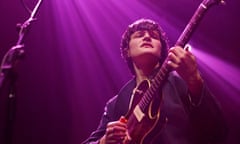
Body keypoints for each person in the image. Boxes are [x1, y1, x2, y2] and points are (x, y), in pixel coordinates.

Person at [82, 19, 227, 144]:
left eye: (154, 36)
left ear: (161, 51)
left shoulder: (180, 83)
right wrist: (104, 141)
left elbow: (218, 131)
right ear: (127, 51)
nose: (146, 37)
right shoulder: (116, 103)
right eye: (139, 35)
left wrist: (194, 79)